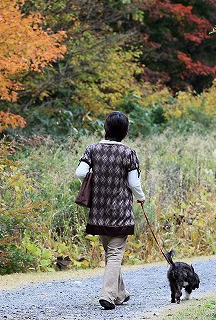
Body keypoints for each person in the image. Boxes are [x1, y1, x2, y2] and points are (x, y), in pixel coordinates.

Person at [75, 111, 145, 310]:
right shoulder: (128, 153)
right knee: (114, 254)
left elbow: (79, 172)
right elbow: (133, 183)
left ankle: (120, 294)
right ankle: (107, 295)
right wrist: (141, 198)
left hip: (99, 212)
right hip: (120, 213)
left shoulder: (92, 149)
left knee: (111, 253)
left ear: (106, 129)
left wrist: (94, 179)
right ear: (125, 131)